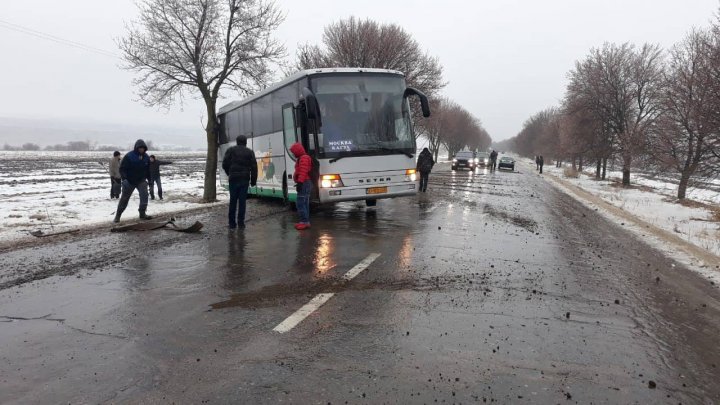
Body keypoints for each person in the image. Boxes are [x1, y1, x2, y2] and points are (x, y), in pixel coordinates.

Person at [222, 135, 258, 229]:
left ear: (237, 142)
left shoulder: (231, 150)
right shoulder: (250, 152)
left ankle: (232, 224)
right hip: (244, 179)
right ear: (245, 142)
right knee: (242, 202)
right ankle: (241, 223)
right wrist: (253, 181)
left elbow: (224, 163)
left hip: (233, 179)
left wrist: (229, 173)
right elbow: (254, 167)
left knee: (233, 201)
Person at [114, 140, 152, 223]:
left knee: (144, 197)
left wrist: (150, 181)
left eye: (143, 148)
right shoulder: (129, 156)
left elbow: (148, 170)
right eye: (140, 148)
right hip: (129, 181)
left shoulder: (146, 157)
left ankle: (142, 213)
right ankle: (118, 216)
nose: (141, 149)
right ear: (136, 148)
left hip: (141, 181)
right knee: (124, 199)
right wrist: (124, 179)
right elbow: (122, 169)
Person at [291, 142, 313, 230]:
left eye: (294, 152)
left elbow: (303, 171)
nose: (293, 154)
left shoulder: (303, 158)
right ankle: (305, 221)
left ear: (297, 151)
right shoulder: (303, 157)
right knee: (305, 202)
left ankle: (304, 221)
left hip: (304, 182)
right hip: (306, 182)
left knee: (300, 202)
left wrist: (300, 183)